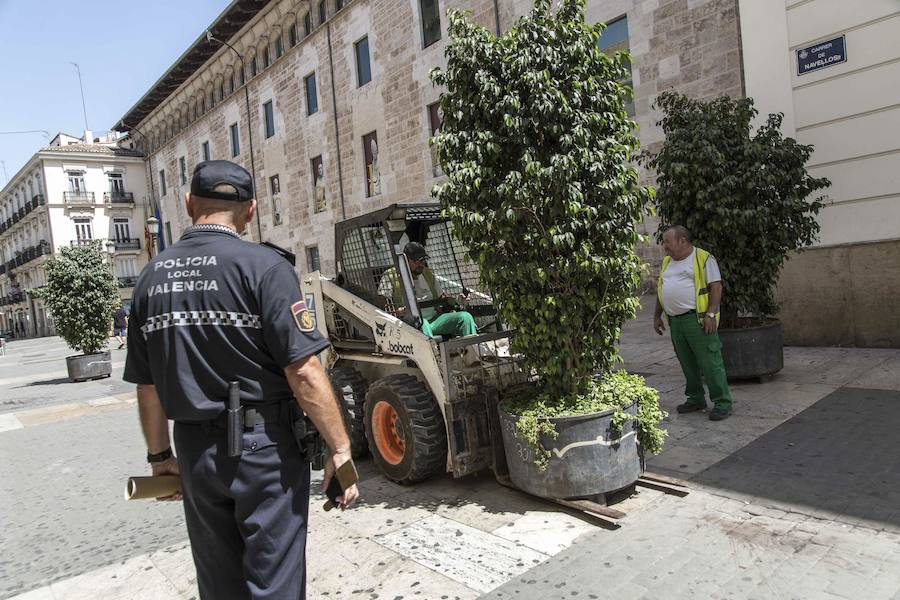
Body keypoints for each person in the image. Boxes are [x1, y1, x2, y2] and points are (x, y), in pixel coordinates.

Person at [123, 160, 358, 600]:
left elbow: (147, 385)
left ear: (190, 204)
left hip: (194, 453)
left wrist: (160, 456)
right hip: (262, 451)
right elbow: (304, 371)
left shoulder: (150, 279)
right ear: (250, 211)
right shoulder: (265, 268)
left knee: (219, 586)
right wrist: (340, 448)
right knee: (275, 582)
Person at [653, 225, 734, 421]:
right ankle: (696, 398)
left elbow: (716, 287)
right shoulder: (666, 263)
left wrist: (711, 314)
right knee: (687, 363)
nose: (665, 247)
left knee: (710, 362)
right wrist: (657, 316)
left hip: (696, 320)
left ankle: (722, 402)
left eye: (667, 242)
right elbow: (661, 289)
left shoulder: (704, 258)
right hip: (676, 322)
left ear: (682, 241)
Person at [378, 242, 477, 339]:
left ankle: (472, 350)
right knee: (422, 323)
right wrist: (397, 311)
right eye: (417, 261)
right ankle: (435, 354)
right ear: (405, 260)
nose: (421, 264)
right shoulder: (390, 276)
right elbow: (382, 306)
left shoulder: (428, 274)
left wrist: (457, 301)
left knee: (465, 317)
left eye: (423, 260)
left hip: (433, 319)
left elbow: (442, 297)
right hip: (408, 324)